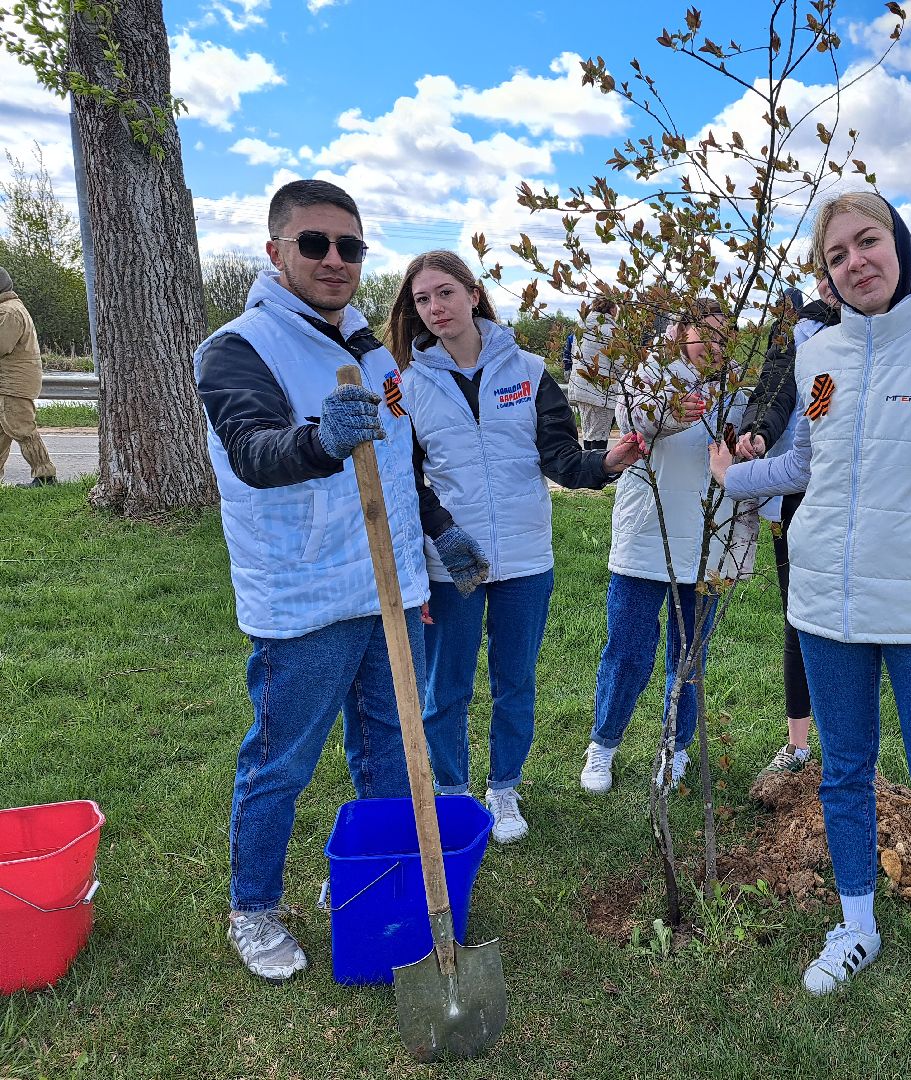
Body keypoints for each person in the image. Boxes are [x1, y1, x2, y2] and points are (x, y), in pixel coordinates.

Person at [710, 192, 911, 1080]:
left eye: (869, 241)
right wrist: (737, 478)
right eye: (837, 253)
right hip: (823, 606)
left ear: (900, 246)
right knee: (842, 774)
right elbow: (810, 465)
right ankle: (856, 927)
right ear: (825, 273)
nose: (855, 261)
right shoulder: (820, 352)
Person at [194, 180, 489, 982]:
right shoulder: (238, 347)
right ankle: (252, 909)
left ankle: (372, 879)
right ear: (275, 252)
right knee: (281, 760)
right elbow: (257, 451)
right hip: (305, 598)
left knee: (393, 754)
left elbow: (394, 466)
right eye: (314, 244)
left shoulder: (369, 349)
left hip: (388, 595)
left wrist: (439, 533)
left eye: (349, 246)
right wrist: (321, 441)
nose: (334, 260)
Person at [384, 251, 644, 843]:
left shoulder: (527, 369)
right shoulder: (407, 384)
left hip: (526, 559)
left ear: (474, 294)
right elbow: (405, 476)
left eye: (445, 293)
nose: (435, 308)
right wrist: (442, 533)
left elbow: (558, 455)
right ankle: (452, 794)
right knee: (445, 687)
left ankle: (504, 789)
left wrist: (604, 464)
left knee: (515, 682)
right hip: (451, 563)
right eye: (422, 299)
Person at [579, 299, 757, 795]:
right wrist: (666, 411)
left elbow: (751, 442)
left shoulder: (735, 394)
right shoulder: (649, 377)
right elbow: (633, 418)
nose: (717, 347)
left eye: (727, 338)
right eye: (708, 334)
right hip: (646, 539)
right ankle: (604, 744)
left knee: (689, 657)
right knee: (628, 649)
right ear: (680, 330)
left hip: (705, 541)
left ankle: (674, 750)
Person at [733, 277, 840, 776]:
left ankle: (847, 744)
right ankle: (799, 746)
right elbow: (779, 394)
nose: (834, 278)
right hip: (798, 495)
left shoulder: (887, 330)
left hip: (866, 502)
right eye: (827, 265)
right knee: (798, 615)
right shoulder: (800, 334)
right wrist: (758, 431)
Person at [0, 266, 58, 487]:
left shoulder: (8, 312)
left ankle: (45, 477)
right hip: (9, 382)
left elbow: (1, 345)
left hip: (12, 384)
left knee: (22, 430)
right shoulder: (11, 308)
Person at [568, 297, 619, 451]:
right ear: (611, 309)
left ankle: (588, 471)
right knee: (600, 435)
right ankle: (596, 473)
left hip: (581, 385)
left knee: (589, 433)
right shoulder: (610, 330)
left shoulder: (582, 327)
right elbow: (621, 361)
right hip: (601, 389)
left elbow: (573, 355)